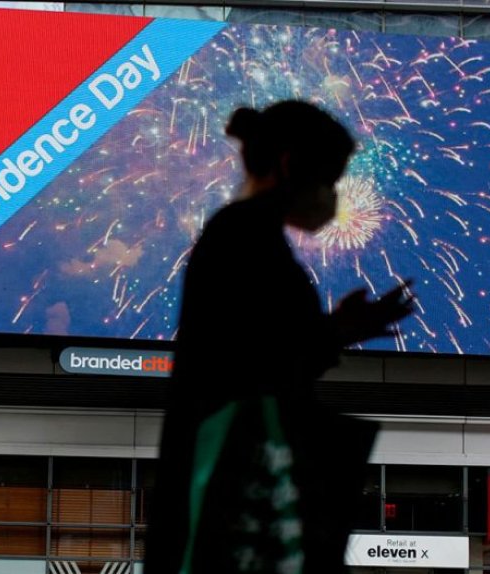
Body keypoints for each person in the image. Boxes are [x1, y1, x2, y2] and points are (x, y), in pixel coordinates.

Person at [146, 100, 415, 574]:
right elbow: (252, 363)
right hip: (238, 481)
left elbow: (255, 352)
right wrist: (333, 333)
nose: (333, 196)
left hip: (233, 471)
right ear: (291, 165)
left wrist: (333, 333)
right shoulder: (243, 236)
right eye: (329, 179)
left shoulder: (243, 234)